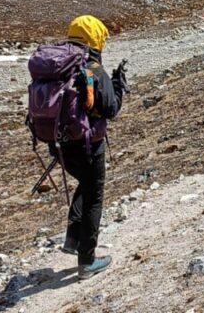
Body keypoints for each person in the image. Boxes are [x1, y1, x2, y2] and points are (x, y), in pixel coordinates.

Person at [57, 14, 127, 279]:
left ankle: (72, 237)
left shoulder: (61, 64)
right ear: (95, 38)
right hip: (87, 144)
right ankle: (87, 260)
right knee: (94, 195)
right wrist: (119, 86)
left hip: (58, 143)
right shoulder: (93, 68)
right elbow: (110, 109)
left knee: (84, 184)